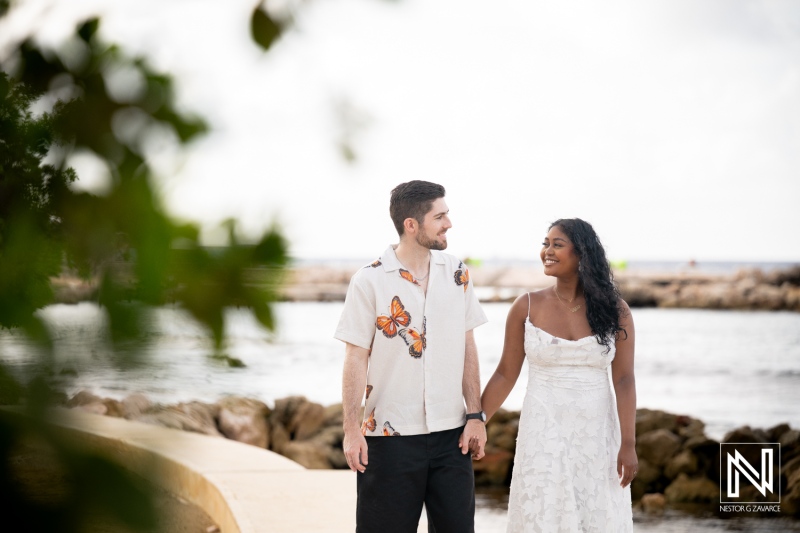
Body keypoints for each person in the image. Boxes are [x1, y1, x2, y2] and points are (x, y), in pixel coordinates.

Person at [334, 180, 489, 533]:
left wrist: (476, 415)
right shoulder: (369, 280)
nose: (448, 223)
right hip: (389, 440)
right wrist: (350, 429)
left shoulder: (457, 273)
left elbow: (468, 347)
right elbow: (355, 358)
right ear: (411, 225)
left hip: (452, 438)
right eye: (441, 216)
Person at [481, 218, 637, 532]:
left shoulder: (615, 310)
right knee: (543, 513)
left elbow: (624, 380)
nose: (547, 251)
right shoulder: (526, 307)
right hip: (543, 432)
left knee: (597, 515)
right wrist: (475, 420)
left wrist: (629, 443)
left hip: (597, 436)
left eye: (557, 244)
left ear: (582, 254)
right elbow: (504, 374)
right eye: (545, 243)